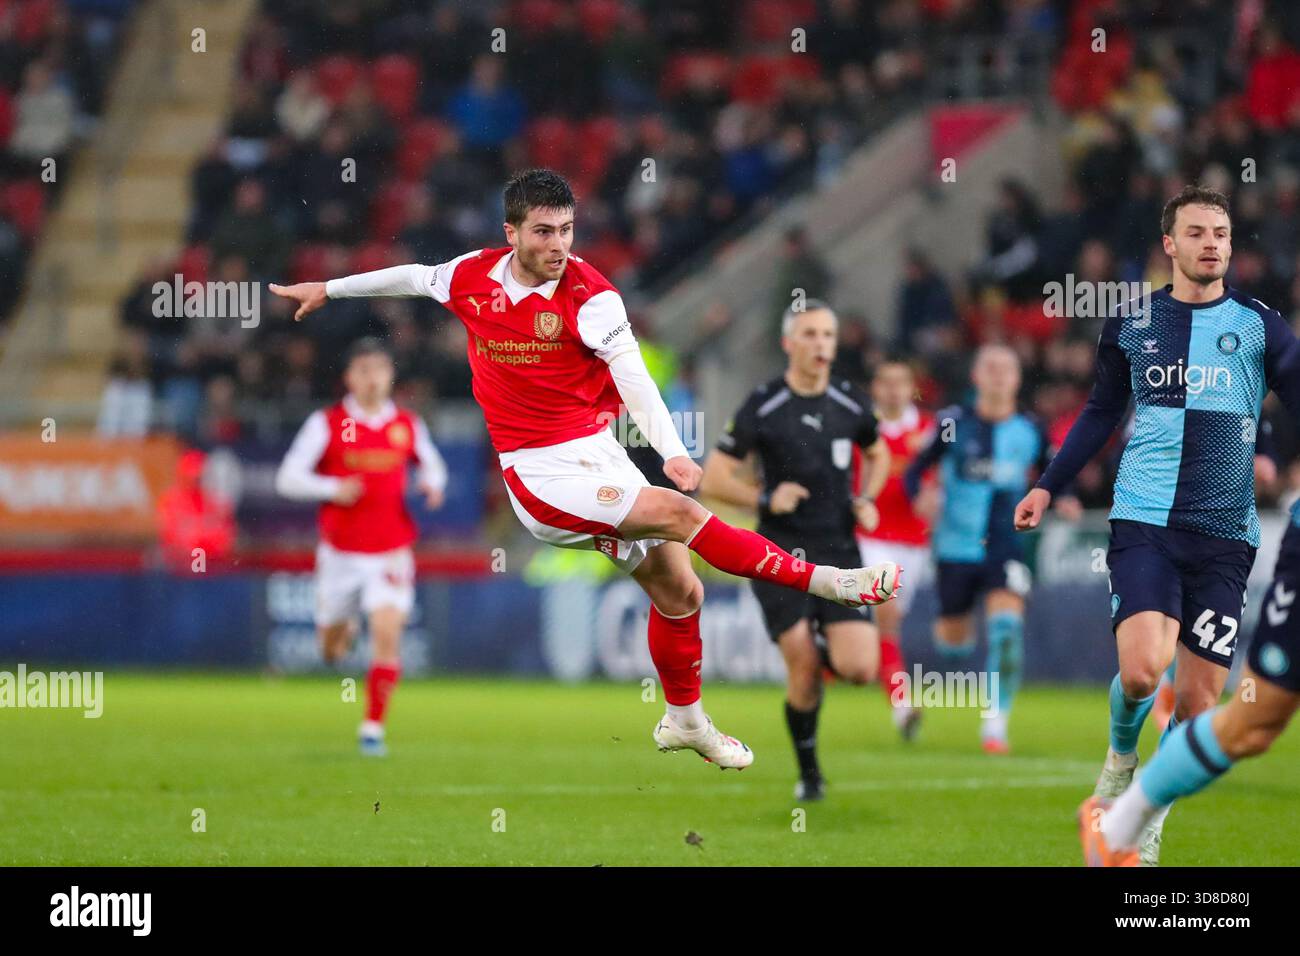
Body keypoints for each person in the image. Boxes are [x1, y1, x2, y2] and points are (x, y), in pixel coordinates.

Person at [270, 169, 900, 771]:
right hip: (538, 475)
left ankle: (684, 720)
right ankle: (825, 582)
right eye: (544, 231)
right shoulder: (468, 276)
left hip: (598, 453)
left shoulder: (592, 297)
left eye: (567, 229)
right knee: (679, 513)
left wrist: (673, 449)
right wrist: (330, 289)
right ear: (511, 232)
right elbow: (411, 276)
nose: (559, 245)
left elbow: (635, 379)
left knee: (681, 591)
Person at [1016, 184, 1300, 864]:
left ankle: (1146, 822)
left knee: (1201, 709)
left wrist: (1277, 460)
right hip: (1145, 518)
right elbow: (1099, 412)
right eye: (1198, 233)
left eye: (1222, 235)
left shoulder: (1262, 325)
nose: (1212, 245)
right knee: (1143, 674)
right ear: (1169, 245)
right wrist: (1048, 485)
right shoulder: (1131, 322)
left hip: (1227, 536)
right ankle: (1120, 756)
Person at [700, 301, 892, 800]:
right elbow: (713, 478)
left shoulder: (850, 401)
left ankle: (826, 638)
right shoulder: (763, 403)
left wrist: (867, 498)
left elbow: (878, 451)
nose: (821, 344)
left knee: (860, 670)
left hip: (839, 547)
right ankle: (810, 776)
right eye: (809, 334)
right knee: (803, 668)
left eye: (828, 334)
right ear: (789, 343)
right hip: (777, 553)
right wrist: (765, 498)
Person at [275, 338, 448, 756]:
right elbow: (288, 477)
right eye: (363, 370)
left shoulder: (407, 424)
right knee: (331, 650)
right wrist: (332, 486)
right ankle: (342, 629)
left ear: (390, 376)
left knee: (388, 632)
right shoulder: (327, 423)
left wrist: (432, 483)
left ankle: (373, 727)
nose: (372, 378)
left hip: (391, 549)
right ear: (349, 378)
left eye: (379, 370)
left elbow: (434, 465)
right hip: (340, 553)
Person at [906, 345, 1073, 754]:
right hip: (954, 548)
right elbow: (915, 470)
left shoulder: (1031, 428)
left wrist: (1063, 497)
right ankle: (957, 638)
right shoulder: (950, 423)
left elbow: (1056, 471)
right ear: (977, 377)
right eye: (991, 368)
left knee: (1006, 632)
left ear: (1017, 379)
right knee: (954, 647)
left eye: (1007, 369)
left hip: (1006, 546)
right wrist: (920, 496)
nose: (999, 375)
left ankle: (994, 725)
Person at [855, 358, 933, 739]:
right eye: (885, 382)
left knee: (889, 629)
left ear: (911, 387)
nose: (892, 390)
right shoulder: (861, 429)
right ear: (875, 388)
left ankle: (867, 675)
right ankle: (902, 706)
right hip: (870, 538)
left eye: (900, 382)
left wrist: (933, 498)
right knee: (885, 615)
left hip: (915, 543)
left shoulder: (929, 430)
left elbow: (938, 480)